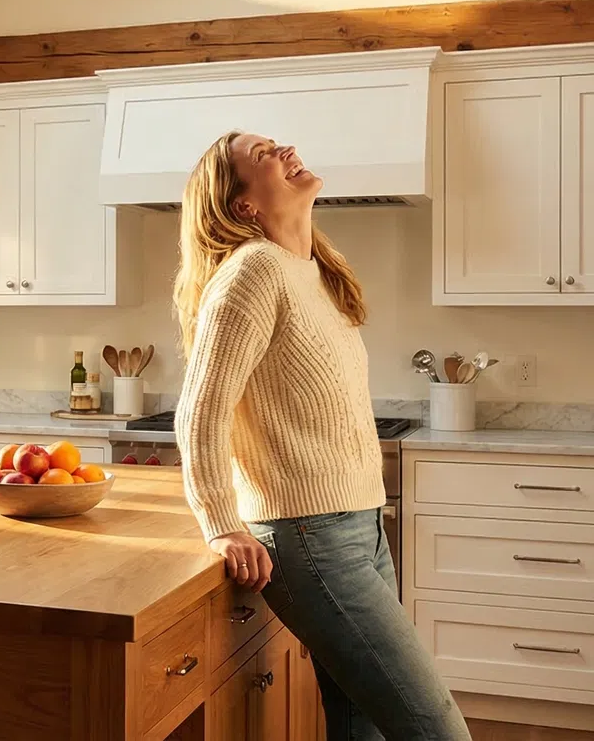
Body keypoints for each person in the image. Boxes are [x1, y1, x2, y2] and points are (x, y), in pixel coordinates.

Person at [173, 131, 471, 741]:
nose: (283, 152)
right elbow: (201, 412)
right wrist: (222, 524)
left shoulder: (310, 273)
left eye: (278, 144)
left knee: (363, 724)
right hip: (308, 534)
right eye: (262, 157)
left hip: (361, 524)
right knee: (433, 729)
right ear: (243, 207)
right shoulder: (253, 271)